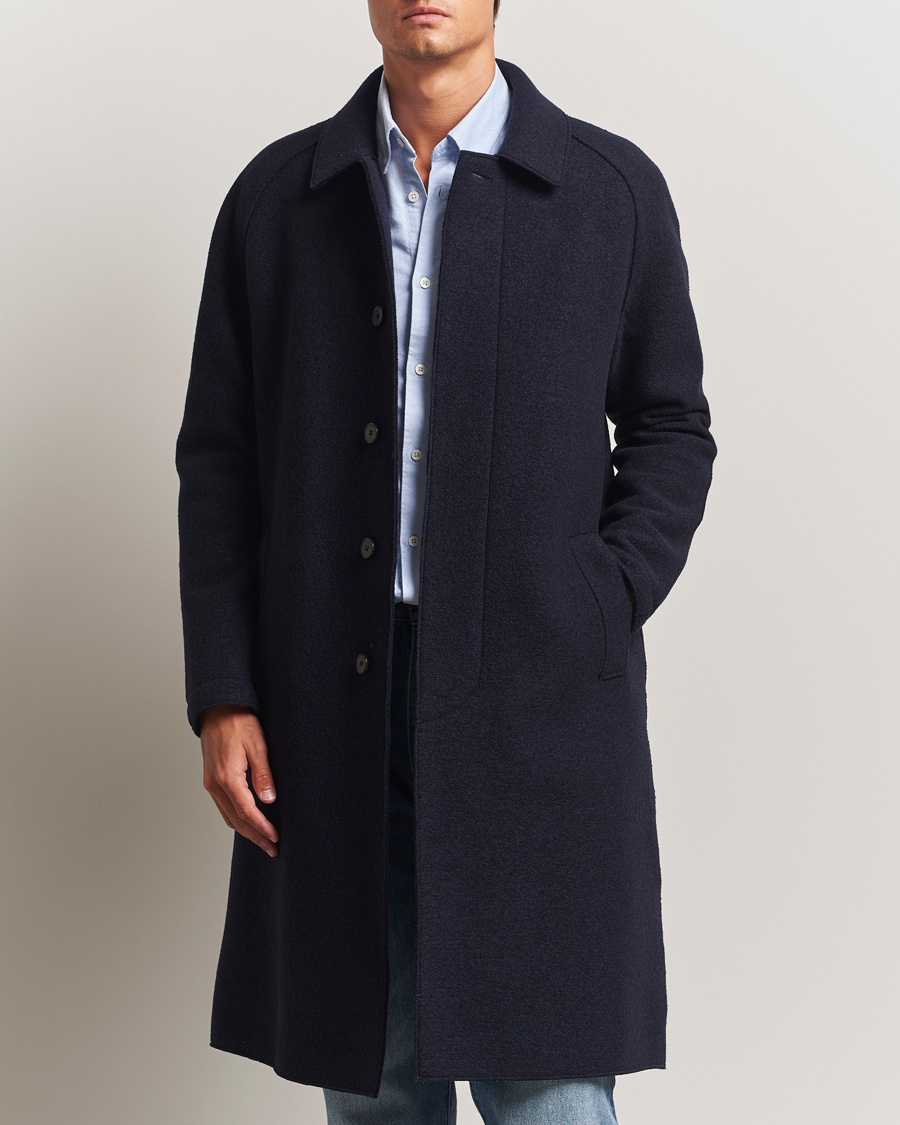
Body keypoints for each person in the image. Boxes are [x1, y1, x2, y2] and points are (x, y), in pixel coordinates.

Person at [175, 1, 716, 1121]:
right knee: (375, 1083)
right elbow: (221, 460)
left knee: (552, 1088)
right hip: (334, 713)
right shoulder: (278, 200)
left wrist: (600, 594)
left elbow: (670, 425)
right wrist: (224, 691)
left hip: (541, 706)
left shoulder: (608, 191)